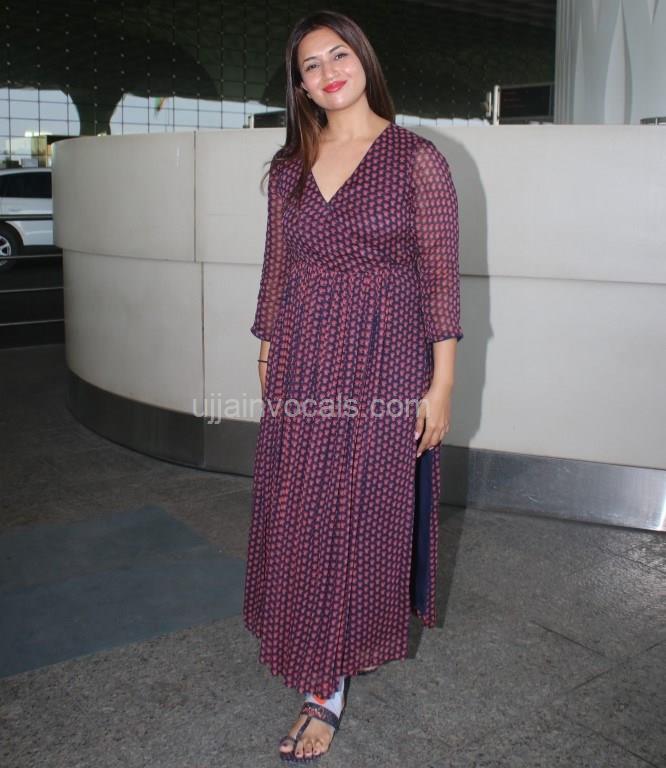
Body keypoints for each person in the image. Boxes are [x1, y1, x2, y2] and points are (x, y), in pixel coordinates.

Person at [243, 9, 463, 763]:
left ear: (363, 59)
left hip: (384, 359)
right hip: (303, 357)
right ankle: (317, 647)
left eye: (339, 54)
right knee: (303, 507)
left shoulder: (416, 159)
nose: (328, 71)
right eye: (310, 64)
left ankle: (325, 685)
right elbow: (276, 268)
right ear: (299, 85)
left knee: (358, 511)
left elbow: (440, 280)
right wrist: (266, 353)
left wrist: (441, 386)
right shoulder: (289, 167)